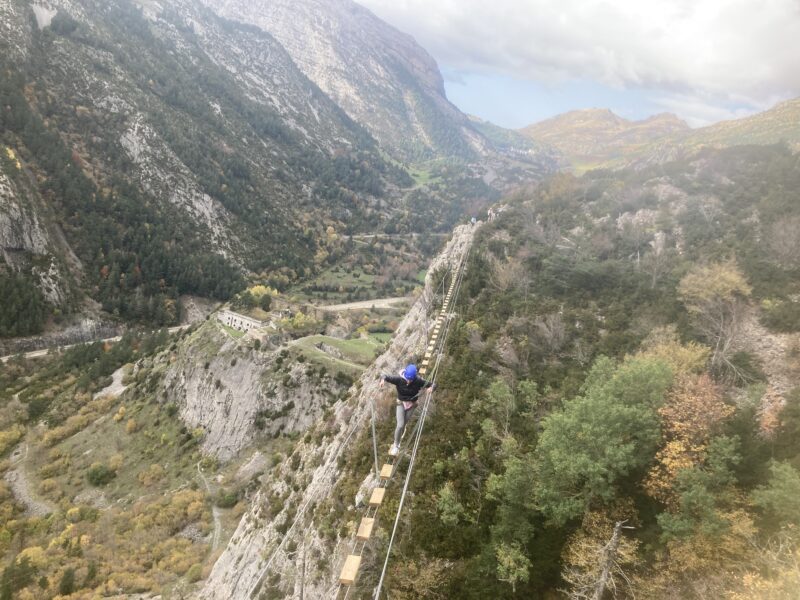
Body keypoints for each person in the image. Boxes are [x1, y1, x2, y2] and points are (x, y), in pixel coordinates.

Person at [380, 364, 435, 455]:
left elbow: (433, 384)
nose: (408, 381)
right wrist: (382, 380)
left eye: (410, 380)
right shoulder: (399, 380)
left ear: (414, 378)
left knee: (404, 424)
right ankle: (396, 445)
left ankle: (398, 437)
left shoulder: (418, 381)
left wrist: (431, 388)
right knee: (400, 425)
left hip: (412, 405)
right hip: (401, 403)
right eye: (407, 379)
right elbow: (385, 376)